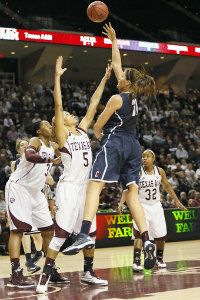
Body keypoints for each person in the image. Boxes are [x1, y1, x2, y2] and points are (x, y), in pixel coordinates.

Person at [62, 23, 157, 270]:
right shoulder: (134, 95)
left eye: (123, 76)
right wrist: (114, 41)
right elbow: (116, 64)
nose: (120, 76)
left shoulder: (117, 98)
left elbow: (97, 126)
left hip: (115, 143)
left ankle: (83, 232)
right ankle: (146, 239)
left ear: (127, 83)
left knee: (95, 186)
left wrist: (97, 135)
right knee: (132, 194)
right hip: (134, 146)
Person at [36, 56, 111, 294]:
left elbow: (93, 103)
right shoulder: (64, 135)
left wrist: (104, 78)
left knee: (89, 234)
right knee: (61, 234)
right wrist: (57, 78)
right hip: (69, 188)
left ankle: (88, 272)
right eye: (65, 113)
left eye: (69, 112)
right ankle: (44, 277)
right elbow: (57, 106)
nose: (68, 112)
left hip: (85, 189)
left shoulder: (81, 130)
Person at [5, 120, 62, 288]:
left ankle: (50, 269)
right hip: (19, 188)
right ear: (39, 130)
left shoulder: (53, 145)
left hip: (36, 192)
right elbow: (30, 156)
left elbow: (64, 149)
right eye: (46, 124)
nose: (50, 127)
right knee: (18, 230)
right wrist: (51, 159)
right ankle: (16, 273)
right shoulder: (35, 141)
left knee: (48, 230)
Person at [118, 149, 187, 271]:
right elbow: (127, 189)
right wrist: (121, 203)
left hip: (156, 206)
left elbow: (167, 186)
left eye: (147, 156)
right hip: (141, 206)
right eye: (143, 156)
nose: (144, 158)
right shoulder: (137, 172)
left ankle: (159, 258)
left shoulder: (159, 171)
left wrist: (176, 200)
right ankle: (136, 261)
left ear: (153, 158)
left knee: (161, 235)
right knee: (138, 234)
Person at [10, 139, 43, 274]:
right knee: (23, 231)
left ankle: (39, 252)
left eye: (26, 144)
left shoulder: (37, 160)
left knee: (38, 234)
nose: (25, 145)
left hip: (36, 197)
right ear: (18, 150)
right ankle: (29, 261)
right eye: (22, 145)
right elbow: (14, 179)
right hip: (21, 197)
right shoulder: (15, 163)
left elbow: (48, 179)